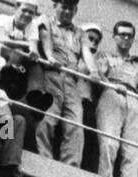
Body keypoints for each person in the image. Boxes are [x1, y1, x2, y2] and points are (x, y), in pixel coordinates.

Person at [37, 0, 96, 166]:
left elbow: (87, 54)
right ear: (55, 7)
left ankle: (71, 165)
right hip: (51, 74)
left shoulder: (80, 33)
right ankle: (43, 157)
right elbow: (45, 39)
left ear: (76, 10)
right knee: (46, 118)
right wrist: (50, 57)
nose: (68, 12)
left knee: (75, 124)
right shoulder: (45, 21)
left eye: (71, 8)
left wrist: (94, 71)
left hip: (70, 79)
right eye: (64, 7)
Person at [96, 20, 138, 177]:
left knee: (133, 149)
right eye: (122, 34)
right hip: (112, 92)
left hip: (132, 99)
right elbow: (98, 76)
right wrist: (111, 86)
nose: (126, 38)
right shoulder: (106, 56)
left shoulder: (136, 66)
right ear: (114, 37)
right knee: (109, 143)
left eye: (129, 35)